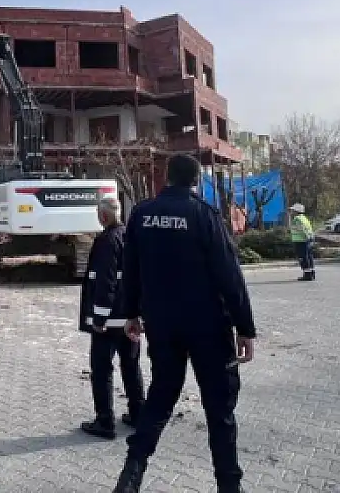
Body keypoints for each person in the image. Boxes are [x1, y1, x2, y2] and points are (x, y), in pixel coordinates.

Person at [113, 154, 257, 493]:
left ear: (167, 177)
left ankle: (131, 476)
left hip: (162, 325)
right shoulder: (204, 215)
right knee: (219, 409)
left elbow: (129, 268)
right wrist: (245, 328)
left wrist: (130, 312)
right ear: (195, 181)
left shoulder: (142, 214)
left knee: (160, 398)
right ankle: (229, 486)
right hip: (208, 326)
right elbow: (229, 276)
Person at [78, 195, 144, 439]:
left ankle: (105, 421)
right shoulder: (130, 237)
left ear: (103, 216)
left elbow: (104, 282)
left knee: (101, 369)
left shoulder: (106, 241)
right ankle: (138, 414)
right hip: (129, 319)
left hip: (108, 323)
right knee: (131, 365)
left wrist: (99, 318)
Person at [289, 203, 316, 281]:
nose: (291, 211)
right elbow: (308, 229)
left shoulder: (297, 219)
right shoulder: (304, 218)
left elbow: (302, 230)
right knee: (309, 257)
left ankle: (307, 275)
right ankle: (312, 273)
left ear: (296, 211)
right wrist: (310, 239)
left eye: (292, 210)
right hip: (307, 240)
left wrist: (306, 237)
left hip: (301, 241)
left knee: (303, 258)